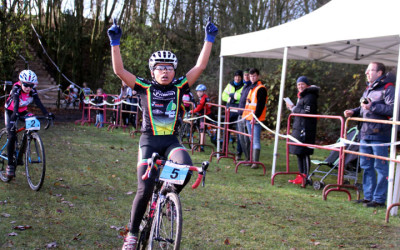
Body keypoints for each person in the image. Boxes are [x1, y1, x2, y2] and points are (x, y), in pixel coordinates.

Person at [107, 17, 218, 249]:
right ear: (153, 71)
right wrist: (114, 42)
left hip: (171, 142)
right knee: (144, 188)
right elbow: (119, 70)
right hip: (149, 141)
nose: (165, 72)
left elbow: (200, 67)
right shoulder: (144, 87)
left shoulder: (179, 87)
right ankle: (133, 234)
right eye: (160, 68)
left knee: (185, 167)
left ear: (174, 71)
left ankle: (167, 195)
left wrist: (209, 39)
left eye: (169, 68)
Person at [344, 62, 395, 208]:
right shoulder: (368, 89)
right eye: (367, 70)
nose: (367, 73)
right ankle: (368, 197)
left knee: (380, 167)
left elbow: (392, 109)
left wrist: (372, 106)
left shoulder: (388, 88)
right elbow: (363, 107)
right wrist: (353, 112)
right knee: (366, 166)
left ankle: (379, 199)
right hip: (365, 133)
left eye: (370, 70)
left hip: (380, 134)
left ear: (379, 73)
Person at [4, 69, 54, 178]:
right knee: (12, 136)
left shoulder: (32, 90)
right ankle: (10, 165)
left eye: (31, 85)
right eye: (26, 85)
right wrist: (15, 113)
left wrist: (47, 114)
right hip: (11, 111)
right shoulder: (16, 88)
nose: (28, 88)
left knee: (33, 124)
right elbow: (16, 101)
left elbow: (38, 102)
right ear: (21, 82)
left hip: (22, 111)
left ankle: (21, 153)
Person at [286, 76, 319, 184]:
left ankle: (306, 177)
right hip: (298, 127)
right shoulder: (302, 96)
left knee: (304, 153)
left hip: (306, 128)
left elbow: (307, 113)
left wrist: (294, 108)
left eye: (302, 84)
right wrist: (292, 108)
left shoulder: (310, 97)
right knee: (298, 152)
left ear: (307, 85)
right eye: (298, 84)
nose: (300, 86)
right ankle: (300, 175)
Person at [241, 68, 267, 169]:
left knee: (255, 140)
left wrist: (255, 117)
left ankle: (255, 162)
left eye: (254, 76)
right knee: (251, 139)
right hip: (248, 117)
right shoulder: (252, 87)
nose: (252, 78)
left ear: (258, 76)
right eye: (251, 76)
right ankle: (251, 160)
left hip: (255, 118)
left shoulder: (260, 88)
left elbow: (260, 105)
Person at [222, 70, 245, 159]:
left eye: (239, 76)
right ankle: (224, 150)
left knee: (239, 132)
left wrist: (232, 95)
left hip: (238, 110)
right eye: (236, 76)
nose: (237, 78)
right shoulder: (230, 84)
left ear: (241, 77)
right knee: (226, 131)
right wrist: (231, 98)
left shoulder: (244, 86)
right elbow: (223, 96)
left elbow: (241, 97)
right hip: (229, 109)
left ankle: (239, 153)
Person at [191, 84, 212, 152]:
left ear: (203, 92)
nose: (198, 93)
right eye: (198, 91)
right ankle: (202, 145)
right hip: (206, 115)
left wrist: (192, 111)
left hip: (204, 116)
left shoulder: (203, 98)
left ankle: (201, 147)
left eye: (200, 91)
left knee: (202, 131)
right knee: (203, 131)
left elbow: (198, 108)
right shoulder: (205, 97)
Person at [237, 68, 252, 162]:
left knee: (247, 138)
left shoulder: (251, 87)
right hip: (240, 114)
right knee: (241, 137)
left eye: (248, 75)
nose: (246, 77)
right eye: (245, 75)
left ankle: (249, 158)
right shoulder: (244, 86)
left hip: (247, 115)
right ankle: (246, 157)